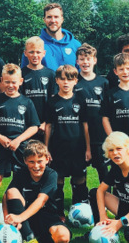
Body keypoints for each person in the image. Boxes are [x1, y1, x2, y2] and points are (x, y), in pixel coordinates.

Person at [44, 64, 90, 218]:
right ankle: (58, 213)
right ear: (56, 80)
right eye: (62, 79)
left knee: (79, 179)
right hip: (58, 148)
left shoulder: (80, 100)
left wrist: (88, 149)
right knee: (58, 180)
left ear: (75, 81)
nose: (66, 82)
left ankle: (79, 212)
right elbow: (49, 126)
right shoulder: (52, 102)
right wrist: (46, 148)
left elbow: (85, 125)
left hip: (77, 148)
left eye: (70, 79)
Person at [0, 63, 39, 189]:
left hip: (19, 146)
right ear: (2, 81)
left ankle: (19, 204)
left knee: (23, 178)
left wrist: (18, 140)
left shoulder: (27, 102)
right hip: (0, 145)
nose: (10, 85)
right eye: (7, 82)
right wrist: (0, 138)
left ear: (21, 81)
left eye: (14, 82)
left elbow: (34, 126)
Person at [3, 140, 71, 243]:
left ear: (47, 159)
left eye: (39, 161)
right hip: (27, 219)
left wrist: (19, 217)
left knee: (63, 237)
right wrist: (6, 220)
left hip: (47, 216)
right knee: (12, 191)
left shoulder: (51, 175)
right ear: (25, 161)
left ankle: (41, 237)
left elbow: (41, 201)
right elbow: (6, 196)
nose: (36, 166)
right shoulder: (21, 174)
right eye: (31, 162)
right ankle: (29, 237)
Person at [74, 44, 110, 183]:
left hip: (100, 134)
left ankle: (106, 200)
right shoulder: (74, 82)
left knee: (103, 169)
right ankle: (81, 199)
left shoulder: (103, 82)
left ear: (95, 60)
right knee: (79, 170)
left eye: (88, 59)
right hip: (79, 134)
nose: (85, 62)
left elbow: (108, 110)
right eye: (82, 59)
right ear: (77, 61)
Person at [21, 3, 81, 71]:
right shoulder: (34, 45)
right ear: (44, 19)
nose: (53, 20)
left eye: (56, 17)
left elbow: (82, 76)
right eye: (49, 17)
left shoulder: (76, 45)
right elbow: (25, 75)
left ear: (62, 19)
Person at [20, 36, 57, 143]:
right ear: (25, 53)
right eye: (31, 52)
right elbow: (19, 101)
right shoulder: (21, 74)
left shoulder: (51, 74)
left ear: (44, 53)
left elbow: (53, 102)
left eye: (38, 52)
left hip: (45, 125)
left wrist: (46, 122)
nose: (35, 55)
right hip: (26, 126)